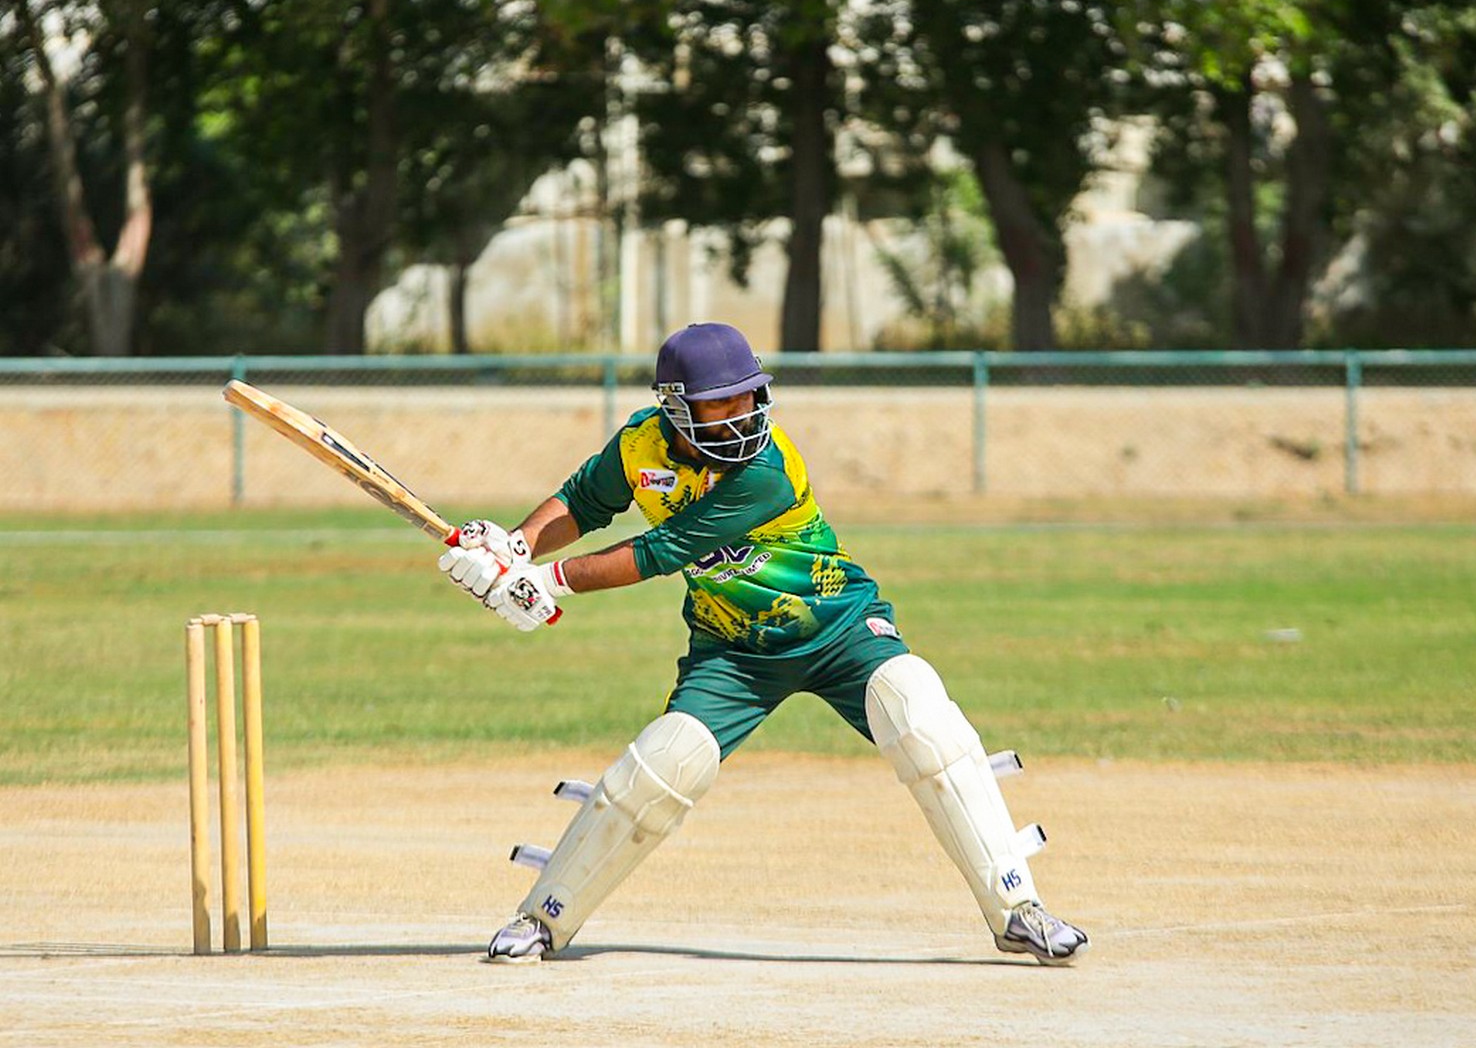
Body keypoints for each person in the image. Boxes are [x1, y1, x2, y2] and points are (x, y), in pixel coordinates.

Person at [438, 322, 1089, 965]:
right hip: (732, 650)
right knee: (665, 762)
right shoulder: (640, 445)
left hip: (837, 626)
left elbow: (662, 550)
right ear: (675, 407)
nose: (740, 413)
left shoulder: (767, 467)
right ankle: (543, 919)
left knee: (917, 711)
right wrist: (515, 546)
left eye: (747, 396)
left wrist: (544, 581)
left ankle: (1017, 909)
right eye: (719, 403)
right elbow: (581, 503)